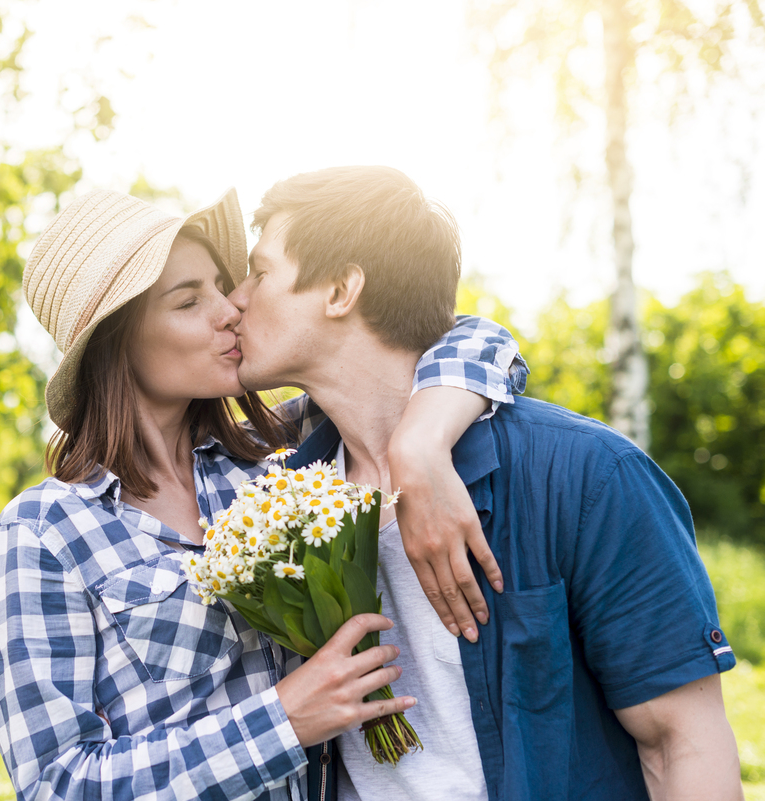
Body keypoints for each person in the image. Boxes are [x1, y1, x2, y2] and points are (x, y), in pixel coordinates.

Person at [0, 187, 528, 801]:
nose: (230, 310)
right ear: (118, 342)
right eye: (190, 301)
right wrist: (282, 722)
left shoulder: (277, 463)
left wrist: (422, 442)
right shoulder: (43, 532)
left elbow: (469, 340)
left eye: (223, 284)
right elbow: (57, 784)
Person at [227, 165, 742, 801]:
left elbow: (682, 741)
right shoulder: (277, 496)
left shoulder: (587, 476)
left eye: (259, 272)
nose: (237, 300)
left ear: (340, 290)